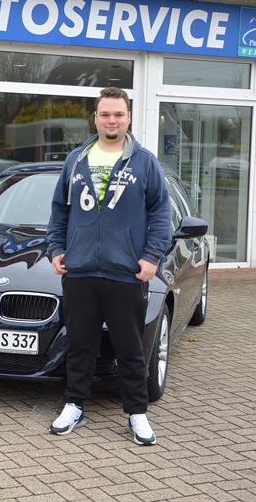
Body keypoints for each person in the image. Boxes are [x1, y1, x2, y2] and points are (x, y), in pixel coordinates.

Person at [46, 87, 171, 445]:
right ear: (95, 118)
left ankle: (136, 413)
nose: (111, 120)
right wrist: (56, 249)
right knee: (79, 346)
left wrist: (152, 256)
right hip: (80, 271)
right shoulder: (76, 159)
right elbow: (60, 209)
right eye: (105, 114)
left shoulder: (144, 162)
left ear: (128, 117)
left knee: (130, 349)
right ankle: (74, 405)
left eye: (118, 114)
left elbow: (160, 213)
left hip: (126, 273)